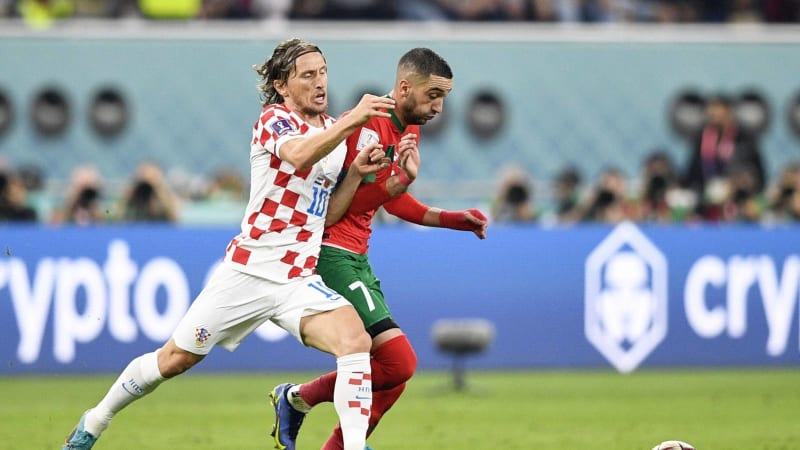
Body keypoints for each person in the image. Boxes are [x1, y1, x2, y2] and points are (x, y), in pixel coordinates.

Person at [61, 37, 397, 450]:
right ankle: (94, 422)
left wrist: (353, 174)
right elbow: (298, 156)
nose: (319, 82)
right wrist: (353, 121)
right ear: (281, 85)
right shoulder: (274, 121)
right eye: (307, 75)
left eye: (323, 72)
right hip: (249, 271)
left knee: (354, 340)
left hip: (296, 278)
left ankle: (354, 445)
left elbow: (325, 215)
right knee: (174, 359)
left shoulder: (331, 133)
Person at [269, 47, 488, 450]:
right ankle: (298, 398)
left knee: (395, 374)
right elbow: (337, 209)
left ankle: (322, 429)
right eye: (434, 95)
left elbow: (391, 199)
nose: (439, 107)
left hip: (358, 256)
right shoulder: (367, 126)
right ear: (404, 87)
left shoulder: (409, 128)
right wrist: (396, 183)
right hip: (329, 251)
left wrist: (453, 219)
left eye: (444, 97)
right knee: (398, 362)